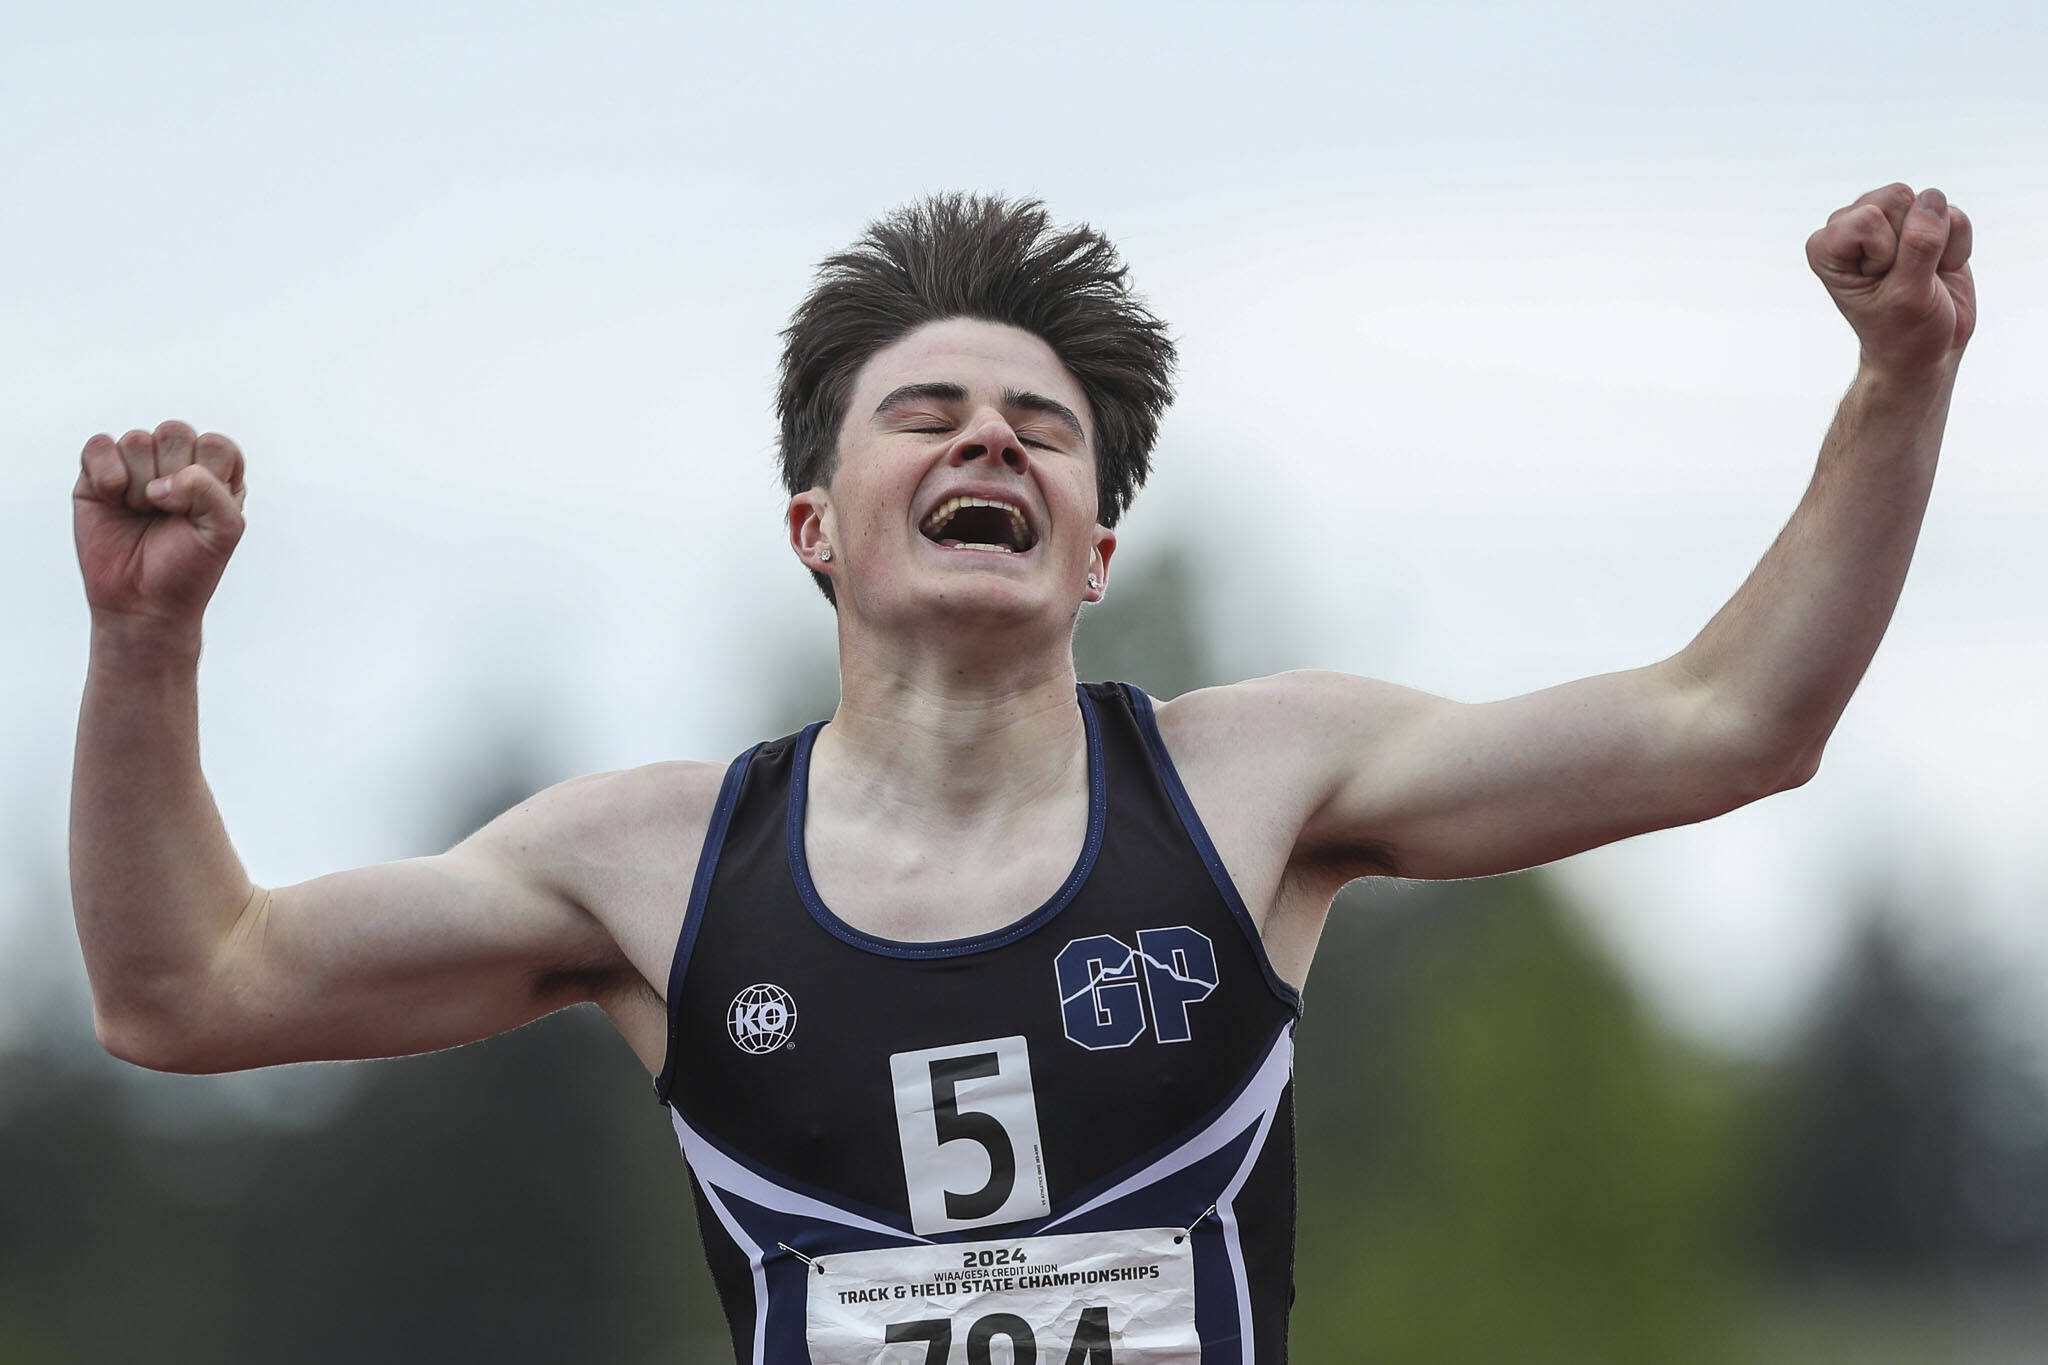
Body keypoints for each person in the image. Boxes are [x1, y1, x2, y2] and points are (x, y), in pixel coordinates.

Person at [70, 184, 1974, 1363]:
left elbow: (1736, 720)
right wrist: (147, 647)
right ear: (819, 524)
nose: (990, 431)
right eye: (929, 411)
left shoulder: (1255, 787)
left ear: (1091, 551)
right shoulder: (651, 864)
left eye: (1041, 429)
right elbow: (183, 988)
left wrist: (1903, 377)